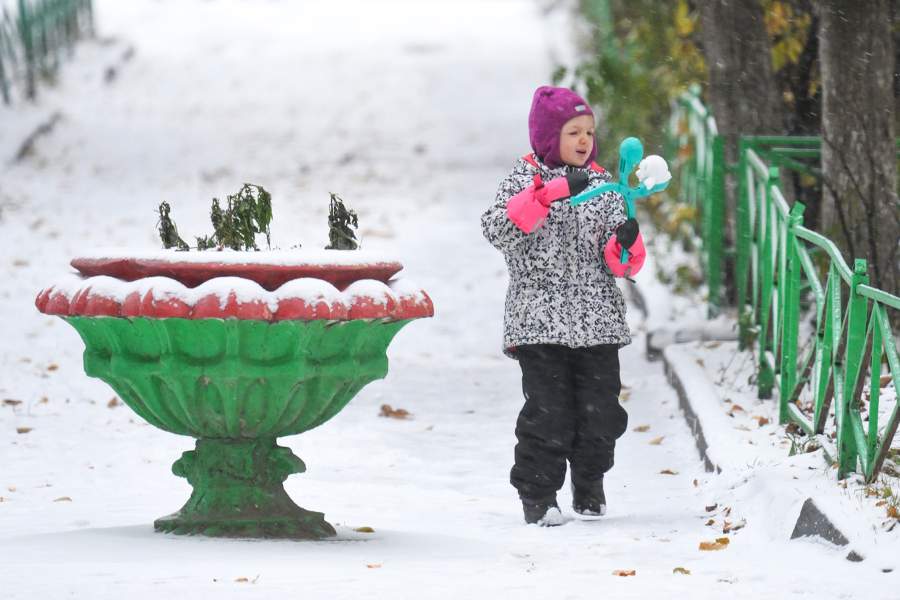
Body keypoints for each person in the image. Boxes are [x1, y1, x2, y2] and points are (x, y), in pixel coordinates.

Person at [480, 85, 646, 526]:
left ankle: (589, 481)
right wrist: (547, 194)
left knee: (602, 413)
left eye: (589, 132)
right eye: (574, 132)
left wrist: (625, 244)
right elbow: (498, 229)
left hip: (598, 320)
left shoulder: (605, 182)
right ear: (550, 136)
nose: (584, 141)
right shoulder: (525, 178)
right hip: (537, 321)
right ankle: (539, 496)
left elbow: (623, 263)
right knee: (548, 413)